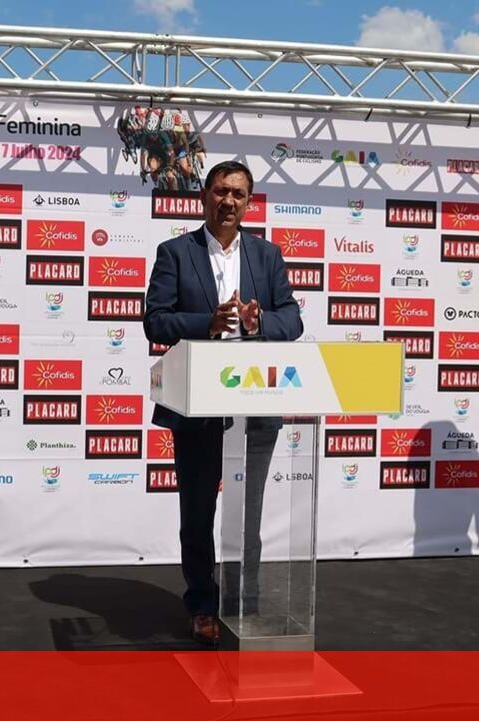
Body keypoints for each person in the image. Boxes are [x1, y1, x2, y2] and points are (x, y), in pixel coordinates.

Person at [143, 160, 303, 646]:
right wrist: (206, 323)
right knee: (198, 512)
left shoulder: (267, 255)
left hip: (257, 402)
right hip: (197, 403)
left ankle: (243, 603)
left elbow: (292, 320)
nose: (228, 201)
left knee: (248, 513)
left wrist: (258, 323)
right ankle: (202, 604)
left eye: (237, 193)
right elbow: (155, 321)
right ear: (204, 197)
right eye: (219, 191)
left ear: (248, 202)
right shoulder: (175, 253)